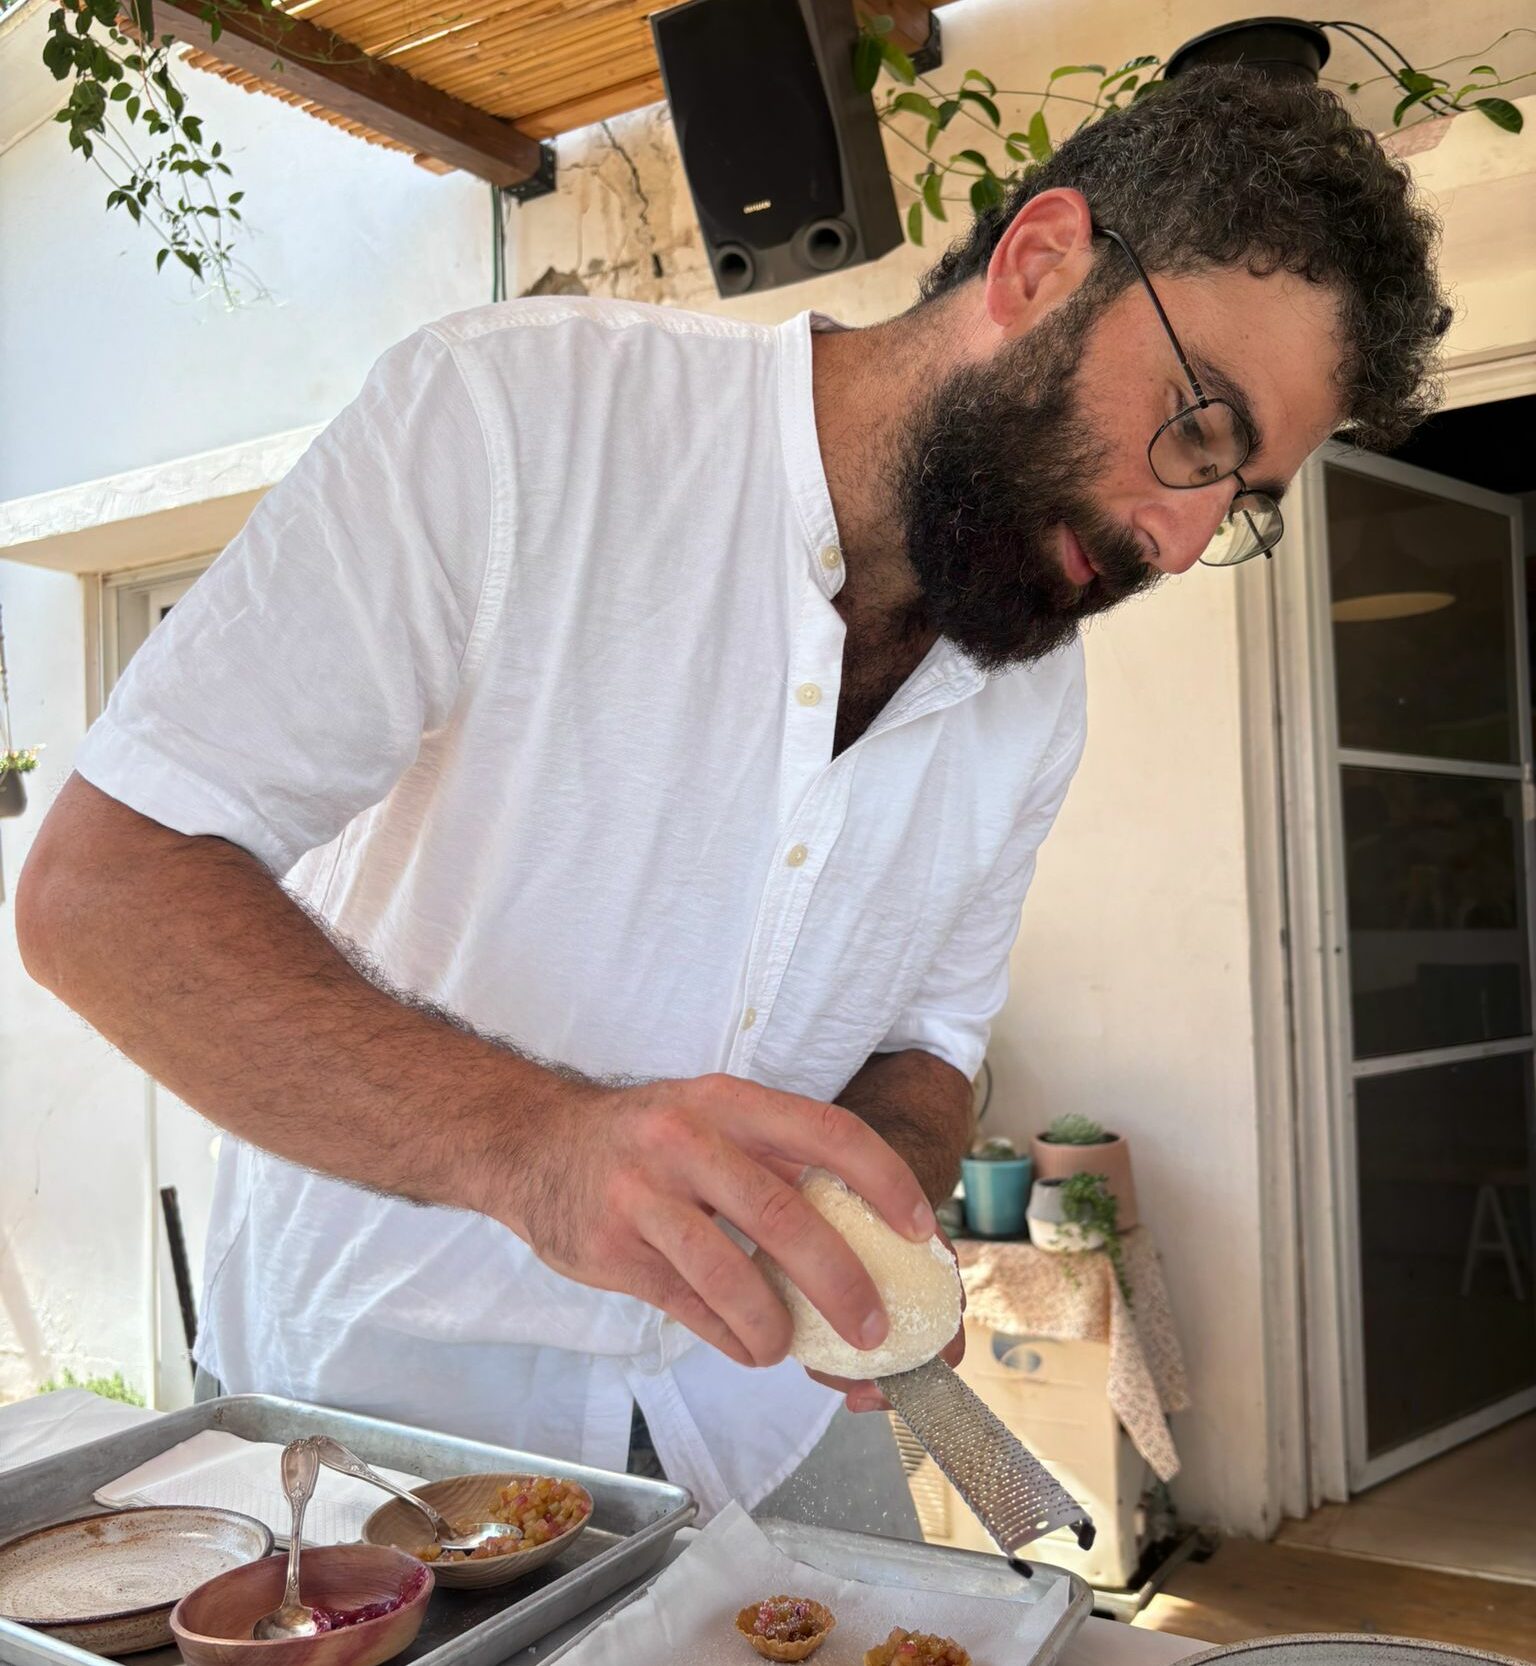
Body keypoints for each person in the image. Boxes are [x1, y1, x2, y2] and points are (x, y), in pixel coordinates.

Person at [17, 67, 1447, 1531]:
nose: (1183, 536)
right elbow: (95, 895)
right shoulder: (516, 423)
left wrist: (879, 1207)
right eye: (1199, 429)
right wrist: (535, 1147)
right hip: (389, 1432)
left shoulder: (1033, 701)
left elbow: (925, 1041)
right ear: (1037, 265)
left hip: (760, 1424)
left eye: (1241, 498)